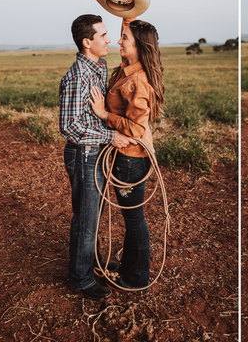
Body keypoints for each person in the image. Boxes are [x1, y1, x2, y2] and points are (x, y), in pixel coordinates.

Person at [88, 18, 164, 291]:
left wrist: (103, 114)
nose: (118, 41)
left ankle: (136, 278)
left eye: (124, 38)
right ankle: (131, 270)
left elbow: (134, 127)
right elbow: (131, 27)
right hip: (130, 156)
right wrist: (127, 9)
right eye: (120, 36)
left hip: (131, 158)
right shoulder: (128, 70)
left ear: (139, 46)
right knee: (133, 218)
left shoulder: (137, 81)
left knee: (134, 219)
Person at [59, 14, 131, 299]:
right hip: (84, 154)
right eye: (103, 35)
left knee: (94, 214)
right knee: (86, 218)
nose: (109, 39)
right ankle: (79, 277)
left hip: (94, 152)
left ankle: (92, 262)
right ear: (87, 42)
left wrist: (129, 18)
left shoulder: (97, 66)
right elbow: (69, 127)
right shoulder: (78, 76)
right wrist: (110, 136)